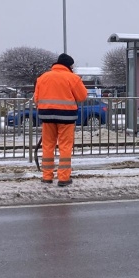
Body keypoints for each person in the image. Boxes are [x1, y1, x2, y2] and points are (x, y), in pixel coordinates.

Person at [34, 53, 88, 186]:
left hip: (46, 116)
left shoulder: (43, 77)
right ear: (69, 65)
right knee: (65, 146)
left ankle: (47, 176)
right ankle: (63, 178)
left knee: (47, 145)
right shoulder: (73, 78)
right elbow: (82, 97)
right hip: (66, 117)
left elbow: (36, 98)